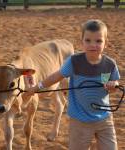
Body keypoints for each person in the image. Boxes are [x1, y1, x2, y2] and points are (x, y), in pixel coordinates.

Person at [22, 19, 120, 150]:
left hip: (104, 119)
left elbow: (108, 87)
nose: (93, 45)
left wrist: (114, 85)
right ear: (82, 42)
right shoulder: (74, 62)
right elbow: (56, 76)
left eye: (98, 41)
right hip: (79, 121)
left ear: (105, 43)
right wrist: (37, 87)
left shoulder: (109, 64)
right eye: (88, 40)